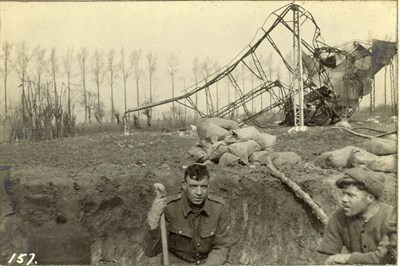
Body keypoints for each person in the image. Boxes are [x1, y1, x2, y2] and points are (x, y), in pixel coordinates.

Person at [142, 164, 232, 265]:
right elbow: (150, 251)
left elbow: (222, 247)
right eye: (193, 186)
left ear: (208, 186)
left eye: (203, 187)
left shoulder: (219, 208)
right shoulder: (170, 208)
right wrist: (153, 218)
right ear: (184, 184)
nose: (199, 192)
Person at [317, 167, 394, 264]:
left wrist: (348, 258)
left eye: (350, 195)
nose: (343, 199)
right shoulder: (339, 217)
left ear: (370, 198)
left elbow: (384, 258)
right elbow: (325, 256)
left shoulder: (392, 218)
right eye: (343, 194)